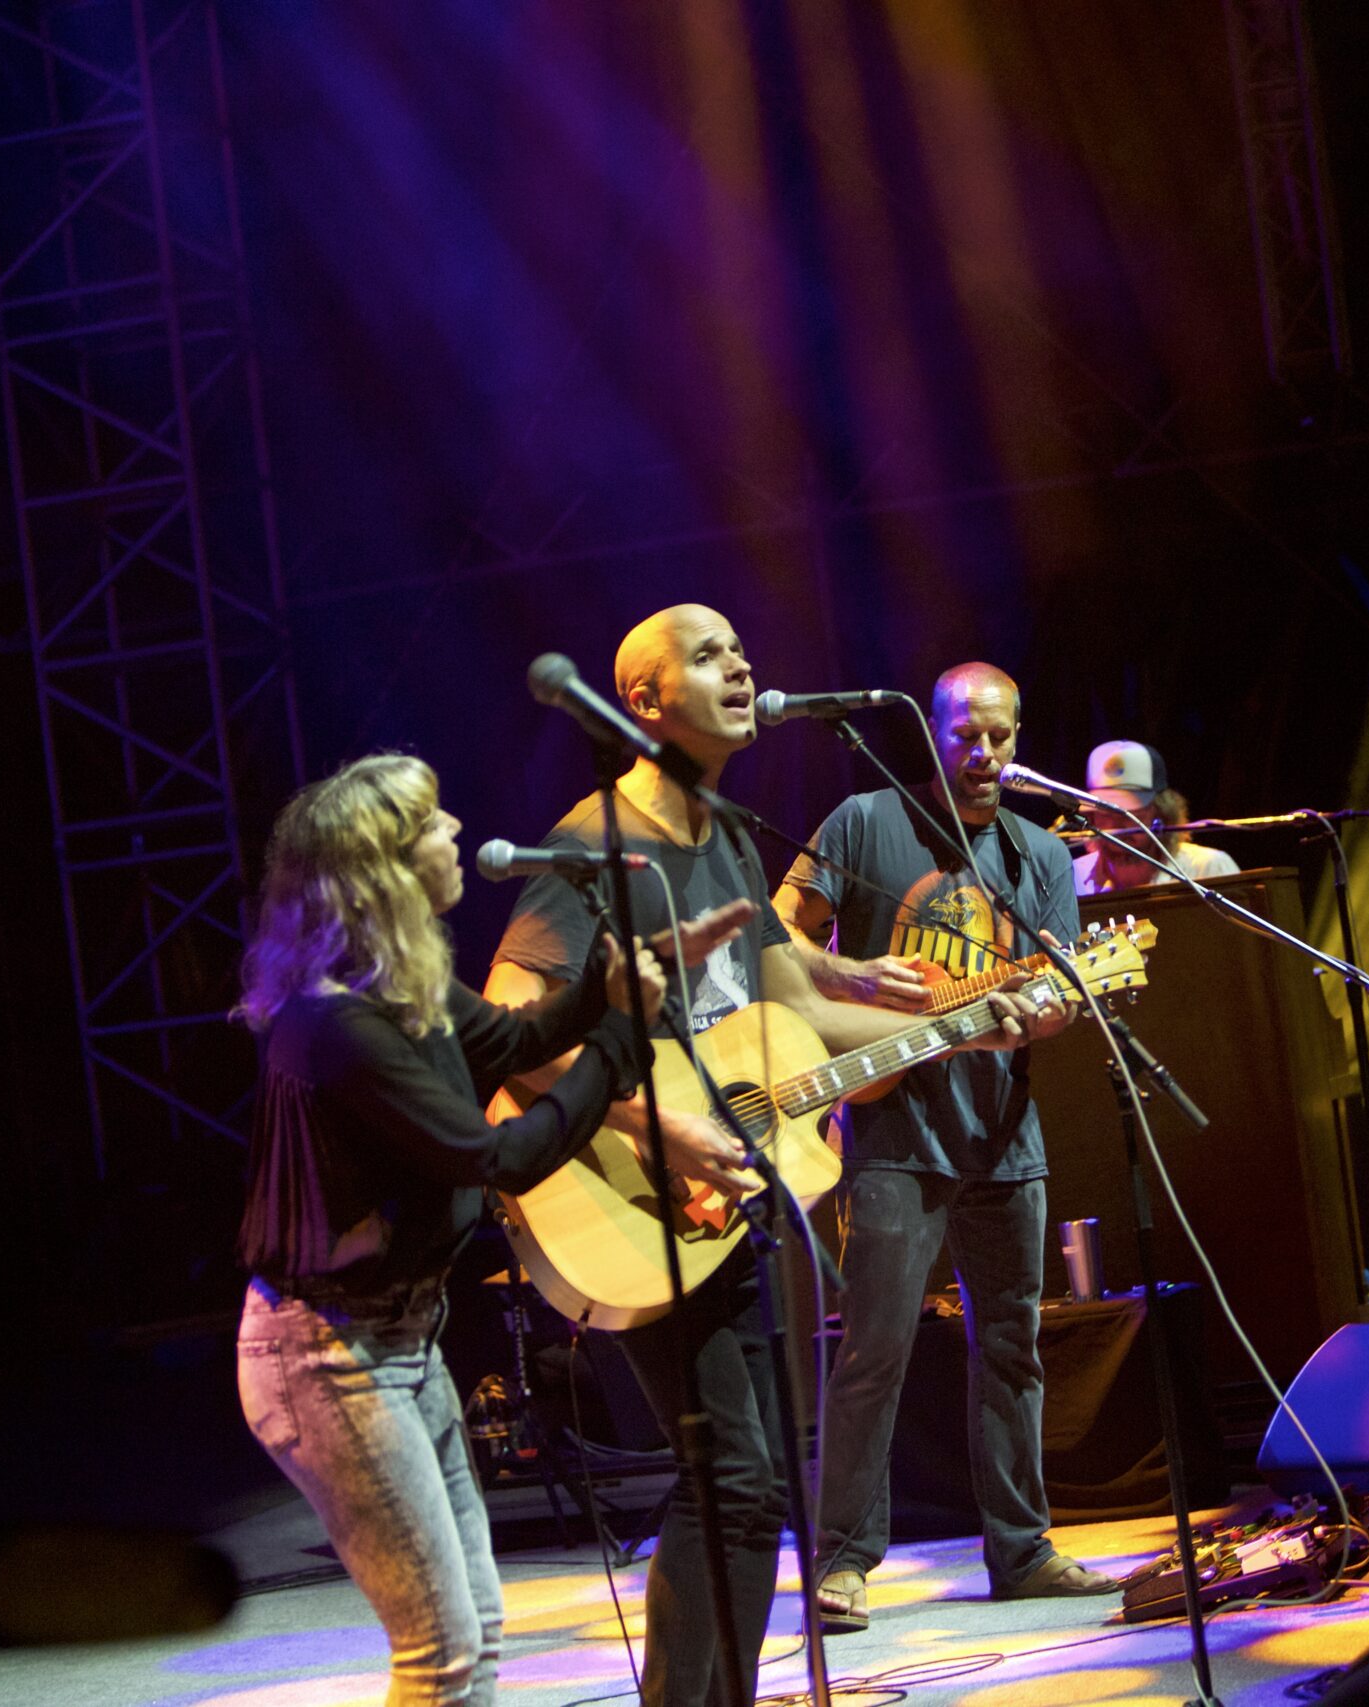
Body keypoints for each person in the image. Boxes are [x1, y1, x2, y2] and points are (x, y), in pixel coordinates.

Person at [482, 607, 1053, 1707]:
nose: (742, 667)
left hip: (729, 1201)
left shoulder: (730, 838)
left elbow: (795, 1006)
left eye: (744, 651)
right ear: (643, 700)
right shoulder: (603, 842)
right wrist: (658, 1127)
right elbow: (508, 1022)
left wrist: (964, 1023)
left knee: (749, 1489)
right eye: (709, 656)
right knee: (732, 1475)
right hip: (638, 1196)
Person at [231, 751, 733, 1707]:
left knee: (476, 1631)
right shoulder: (339, 1026)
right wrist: (620, 1036)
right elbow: (496, 1154)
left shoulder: (395, 985)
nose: (455, 829)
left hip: (395, 1344)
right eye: (431, 823)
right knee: (443, 1650)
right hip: (328, 1358)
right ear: (384, 865)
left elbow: (515, 1039)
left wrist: (615, 982)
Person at [775, 662, 1111, 1635]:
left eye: (1001, 736)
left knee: (1012, 1348)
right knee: (872, 1350)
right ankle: (842, 1562)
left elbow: (1059, 996)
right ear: (931, 735)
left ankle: (1023, 1550)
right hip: (891, 1132)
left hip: (1003, 1136)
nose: (986, 753)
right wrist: (851, 981)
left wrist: (1032, 1020)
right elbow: (775, 935)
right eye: (967, 735)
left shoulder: (1039, 853)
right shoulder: (862, 822)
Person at [1068, 739, 1241, 896]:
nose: (1116, 825)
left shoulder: (1209, 868)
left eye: (1130, 813)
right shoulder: (1071, 878)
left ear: (1161, 813)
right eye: (1105, 814)